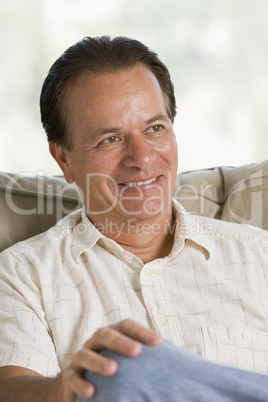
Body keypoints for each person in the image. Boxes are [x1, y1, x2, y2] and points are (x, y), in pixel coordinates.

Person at [0, 35, 268, 402]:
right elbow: (10, 388)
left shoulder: (258, 256)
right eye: (110, 139)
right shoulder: (22, 275)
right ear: (64, 159)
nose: (142, 158)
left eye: (155, 128)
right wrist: (65, 388)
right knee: (117, 371)